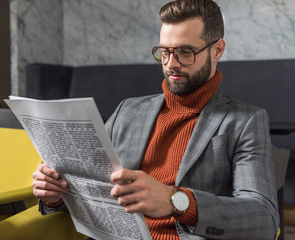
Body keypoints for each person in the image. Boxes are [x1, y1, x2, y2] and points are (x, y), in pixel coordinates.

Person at [32, 0, 279, 239]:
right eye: (164, 52)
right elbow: (91, 194)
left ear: (217, 50)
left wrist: (176, 201)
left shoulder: (245, 121)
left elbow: (263, 220)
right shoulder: (127, 111)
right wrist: (56, 196)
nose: (171, 64)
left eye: (185, 52)